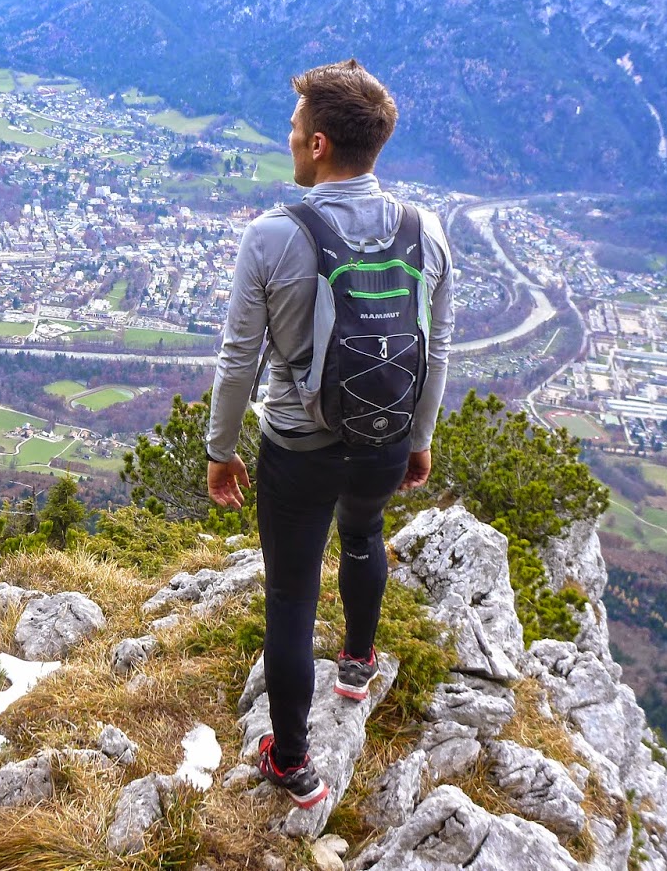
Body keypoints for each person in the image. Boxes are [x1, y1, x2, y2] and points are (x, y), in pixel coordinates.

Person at [203, 59, 454, 809]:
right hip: (384, 437)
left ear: (317, 144)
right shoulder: (428, 231)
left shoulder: (272, 238)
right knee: (365, 535)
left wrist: (221, 450)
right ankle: (357, 663)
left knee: (290, 595)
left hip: (298, 447)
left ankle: (292, 762)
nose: (287, 137)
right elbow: (437, 348)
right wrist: (419, 437)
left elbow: (238, 358)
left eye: (293, 127)